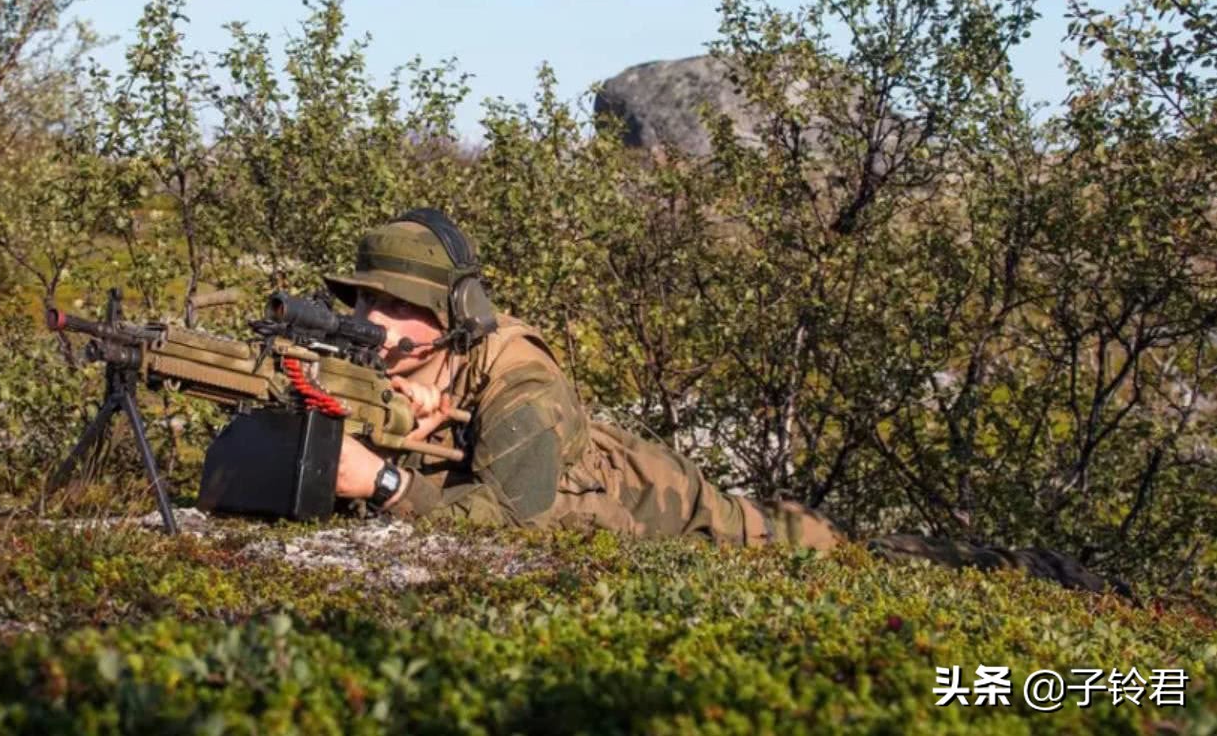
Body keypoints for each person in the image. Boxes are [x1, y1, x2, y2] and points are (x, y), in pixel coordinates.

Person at [324, 209, 1127, 595]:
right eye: (365, 304)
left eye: (397, 307)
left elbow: (514, 519)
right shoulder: (396, 362)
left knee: (845, 559)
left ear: (456, 314)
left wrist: (385, 483)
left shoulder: (522, 379)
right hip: (626, 500)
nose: (374, 323)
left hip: (679, 514)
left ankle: (1033, 571)